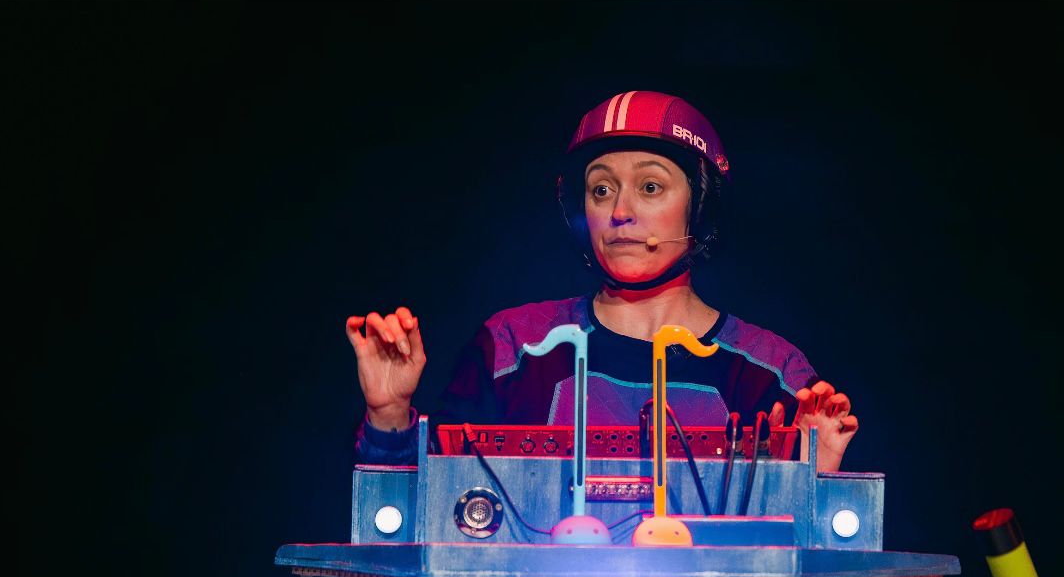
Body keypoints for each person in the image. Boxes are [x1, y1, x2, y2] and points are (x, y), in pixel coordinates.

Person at [345, 91, 858, 473]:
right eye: (601, 190)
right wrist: (388, 415)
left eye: (650, 186)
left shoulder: (772, 373)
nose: (620, 212)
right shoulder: (513, 347)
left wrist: (815, 477)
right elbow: (421, 521)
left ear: (701, 207)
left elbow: (814, 560)